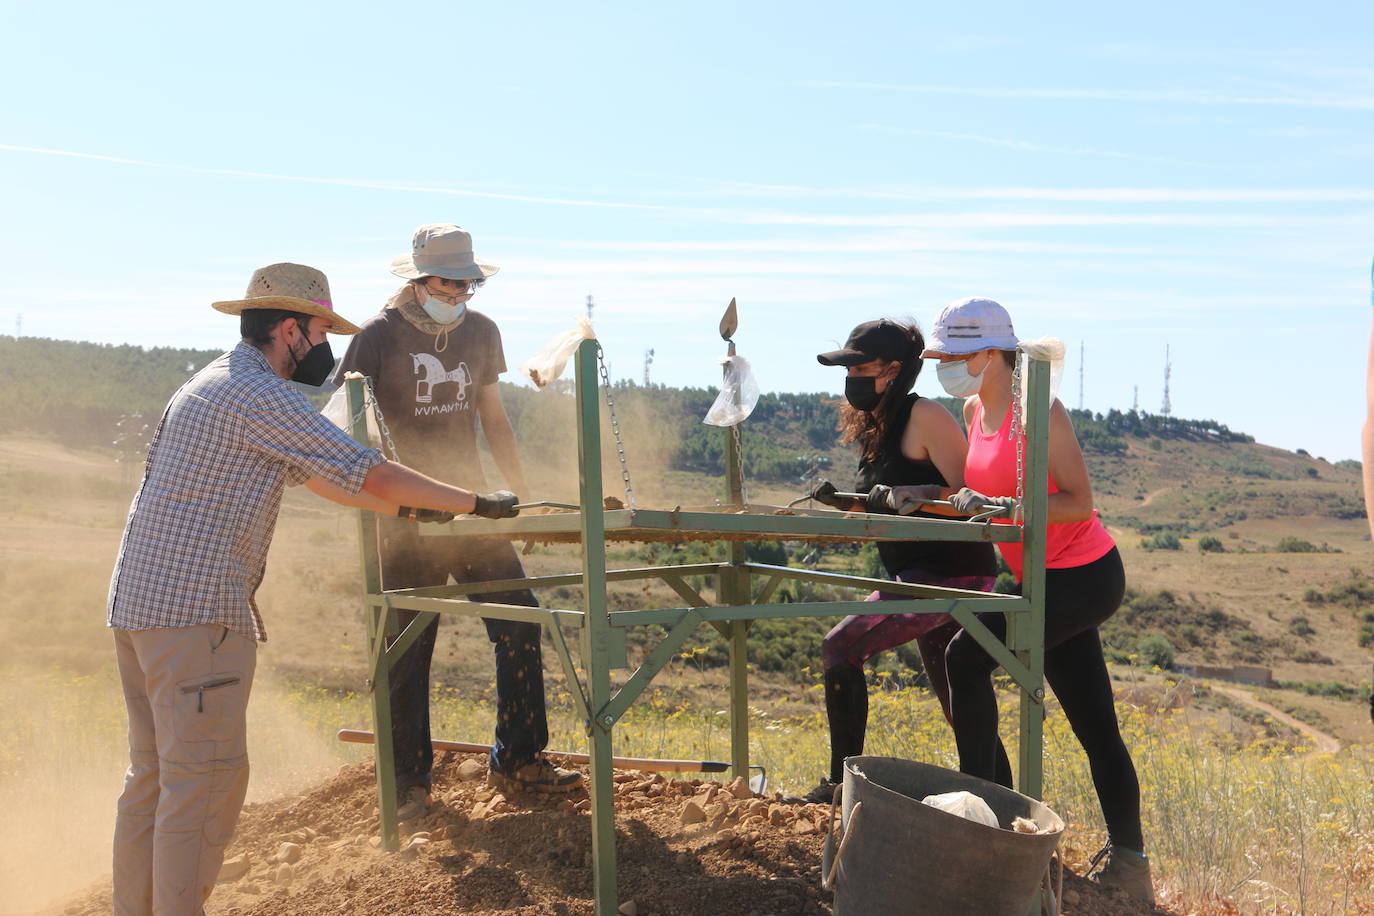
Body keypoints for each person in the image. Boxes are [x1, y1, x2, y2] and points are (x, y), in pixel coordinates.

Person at [107, 262, 520, 916]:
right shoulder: (257, 393)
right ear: (292, 328)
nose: (327, 345)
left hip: (142, 609)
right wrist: (474, 503)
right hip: (196, 613)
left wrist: (413, 510)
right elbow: (369, 470)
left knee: (156, 780)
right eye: (323, 329)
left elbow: (326, 477)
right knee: (204, 785)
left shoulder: (213, 383)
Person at [335, 223, 579, 817]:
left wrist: (516, 492)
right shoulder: (375, 338)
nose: (460, 295)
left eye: (469, 285)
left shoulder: (481, 332)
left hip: (475, 507)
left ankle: (518, 761)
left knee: (519, 622)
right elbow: (349, 428)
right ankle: (407, 783)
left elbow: (492, 415)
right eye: (450, 283)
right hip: (406, 513)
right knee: (406, 645)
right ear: (419, 281)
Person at [923, 296, 1153, 903]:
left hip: (1084, 574)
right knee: (1094, 722)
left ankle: (988, 827)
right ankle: (1130, 865)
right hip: (1036, 579)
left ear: (992, 354)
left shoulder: (1038, 409)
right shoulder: (974, 408)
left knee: (964, 659)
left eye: (952, 355)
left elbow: (1080, 501)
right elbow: (981, 489)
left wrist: (1013, 509)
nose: (943, 366)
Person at [793, 318, 1002, 804]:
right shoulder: (879, 427)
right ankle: (1001, 800)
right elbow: (884, 503)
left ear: (892, 369)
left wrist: (918, 493)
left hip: (952, 572)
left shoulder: (925, 415)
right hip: (918, 573)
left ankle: (840, 786)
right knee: (960, 702)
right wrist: (849, 504)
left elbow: (975, 500)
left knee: (841, 647)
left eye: (861, 367)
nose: (852, 380)